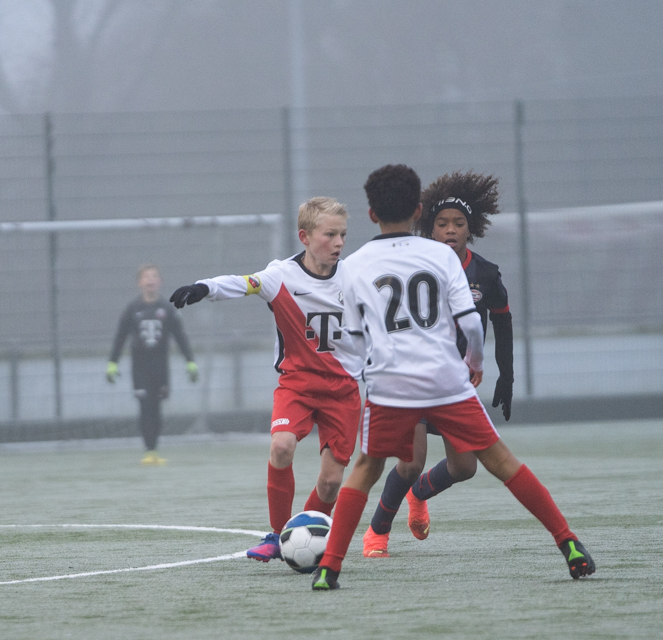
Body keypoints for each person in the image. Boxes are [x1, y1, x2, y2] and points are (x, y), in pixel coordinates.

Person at [311, 164, 594, 590]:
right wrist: (475, 363)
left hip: (391, 385)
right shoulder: (442, 255)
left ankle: (329, 567)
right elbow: (472, 325)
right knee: (501, 462)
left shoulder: (352, 266)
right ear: (420, 210)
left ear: (371, 214)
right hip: (447, 380)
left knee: (367, 469)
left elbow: (352, 338)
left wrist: (362, 373)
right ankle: (568, 542)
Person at [168, 196, 362, 562]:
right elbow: (244, 283)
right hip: (298, 384)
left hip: (343, 391)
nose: (338, 243)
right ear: (304, 237)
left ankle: (304, 533)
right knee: (281, 447)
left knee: (331, 481)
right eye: (330, 234)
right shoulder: (281, 276)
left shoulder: (355, 278)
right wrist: (204, 288)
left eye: (343, 235)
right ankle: (278, 535)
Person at [362, 170, 515, 558]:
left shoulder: (486, 274)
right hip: (412, 377)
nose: (450, 230)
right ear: (427, 226)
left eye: (458, 224)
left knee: (465, 467)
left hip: (453, 383)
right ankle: (377, 533)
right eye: (442, 223)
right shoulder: (415, 264)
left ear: (471, 229)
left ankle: (419, 495)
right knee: (410, 462)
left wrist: (506, 375)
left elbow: (501, 321)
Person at [107, 264, 199, 465]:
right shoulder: (133, 309)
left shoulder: (167, 309)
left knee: (156, 408)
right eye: (146, 277)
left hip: (160, 366)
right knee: (145, 406)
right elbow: (120, 336)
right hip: (140, 367)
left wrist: (189, 360)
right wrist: (112, 363)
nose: (150, 280)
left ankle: (154, 450)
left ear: (160, 281)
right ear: (139, 282)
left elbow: (180, 336)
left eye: (154, 276)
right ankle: (148, 450)